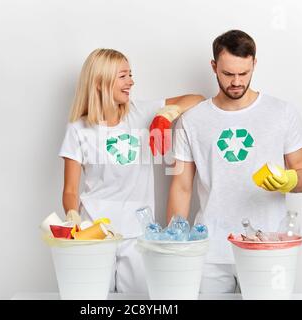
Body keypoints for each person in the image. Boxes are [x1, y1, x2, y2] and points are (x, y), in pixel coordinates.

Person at [167, 30, 302, 293]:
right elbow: (181, 186)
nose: (236, 81)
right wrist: (172, 241)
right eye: (228, 74)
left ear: (254, 64)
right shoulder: (192, 120)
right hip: (209, 247)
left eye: (243, 74)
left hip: (268, 246)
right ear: (214, 67)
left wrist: (289, 180)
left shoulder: (282, 112)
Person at [58, 48, 204, 293]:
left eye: (130, 74)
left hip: (137, 234)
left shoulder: (141, 112)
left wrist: (168, 114)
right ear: (100, 82)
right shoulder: (78, 128)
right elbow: (70, 190)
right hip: (95, 234)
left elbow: (197, 98)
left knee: (139, 301)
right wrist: (73, 217)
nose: (131, 82)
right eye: (123, 76)